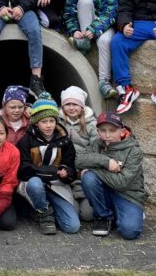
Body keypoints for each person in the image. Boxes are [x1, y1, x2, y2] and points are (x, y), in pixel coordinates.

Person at [76, 112, 145, 240]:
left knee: (130, 231)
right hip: (105, 192)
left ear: (122, 131)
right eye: (103, 130)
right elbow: (79, 160)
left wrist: (94, 169)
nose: (107, 135)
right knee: (88, 178)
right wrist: (106, 161)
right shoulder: (97, 144)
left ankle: (128, 214)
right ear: (98, 131)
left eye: (112, 131)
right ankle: (104, 217)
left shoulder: (133, 150)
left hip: (128, 195)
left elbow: (122, 183)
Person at [18, 99, 81, 235]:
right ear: (36, 123)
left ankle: (49, 207)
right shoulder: (26, 140)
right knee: (35, 184)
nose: (48, 125)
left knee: (72, 226)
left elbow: (70, 165)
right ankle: (44, 213)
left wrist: (66, 172)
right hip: (33, 183)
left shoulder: (64, 141)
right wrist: (53, 171)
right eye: (44, 121)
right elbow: (24, 169)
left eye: (52, 121)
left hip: (56, 185)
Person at [65, 0, 119, 98]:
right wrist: (74, 30)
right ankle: (85, 41)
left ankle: (104, 82)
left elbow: (111, 11)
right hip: (84, 27)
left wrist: (94, 28)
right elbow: (69, 12)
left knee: (105, 41)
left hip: (103, 25)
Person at [59, 87, 96, 220]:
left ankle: (85, 200)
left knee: (87, 215)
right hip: (65, 173)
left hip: (82, 171)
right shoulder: (58, 122)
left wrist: (86, 164)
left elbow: (96, 148)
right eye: (67, 104)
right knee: (72, 213)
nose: (71, 108)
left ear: (82, 106)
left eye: (75, 104)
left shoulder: (91, 124)